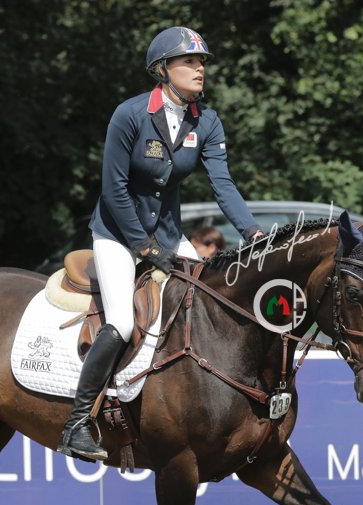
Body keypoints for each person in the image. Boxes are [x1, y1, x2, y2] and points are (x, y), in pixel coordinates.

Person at [58, 26, 264, 461]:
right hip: (117, 235)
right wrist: (144, 248)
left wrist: (253, 233)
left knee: (208, 302)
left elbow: (223, 185)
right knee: (122, 323)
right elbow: (113, 189)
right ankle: (77, 423)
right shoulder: (130, 114)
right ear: (162, 69)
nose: (200, 69)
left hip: (170, 235)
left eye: (202, 61)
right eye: (190, 61)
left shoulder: (206, 121)